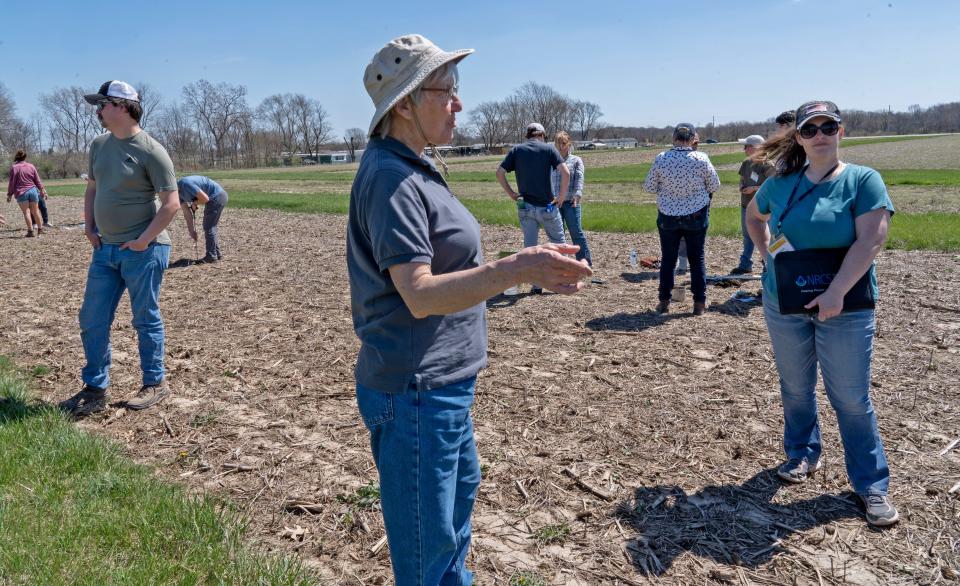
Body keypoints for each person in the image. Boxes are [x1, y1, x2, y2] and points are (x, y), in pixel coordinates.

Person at [348, 34, 592, 585]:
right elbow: (420, 292)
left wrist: (524, 264)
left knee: (449, 540)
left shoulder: (414, 166)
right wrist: (519, 269)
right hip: (416, 390)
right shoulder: (392, 178)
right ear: (406, 104)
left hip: (442, 386)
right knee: (426, 556)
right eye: (447, 91)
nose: (459, 103)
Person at [745, 100, 898, 527]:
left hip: (845, 307)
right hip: (784, 304)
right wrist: (767, 255)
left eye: (827, 126)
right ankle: (801, 454)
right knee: (795, 388)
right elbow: (754, 217)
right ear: (798, 137)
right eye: (810, 129)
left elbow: (870, 241)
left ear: (840, 131)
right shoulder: (780, 183)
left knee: (850, 398)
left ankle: (871, 485)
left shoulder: (863, 180)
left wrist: (835, 293)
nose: (820, 135)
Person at [58, 80, 180, 417]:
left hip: (144, 251)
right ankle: (95, 388)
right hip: (105, 250)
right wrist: (88, 226)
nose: (97, 111)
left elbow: (171, 204)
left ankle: (155, 383)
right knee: (92, 318)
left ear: (123, 107)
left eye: (102, 104)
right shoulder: (98, 145)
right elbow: (92, 190)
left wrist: (143, 240)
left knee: (145, 318)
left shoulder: (151, 150)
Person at [644, 123, 720, 315]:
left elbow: (650, 187)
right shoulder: (701, 158)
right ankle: (699, 304)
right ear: (693, 138)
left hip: (668, 216)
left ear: (674, 138)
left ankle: (664, 301)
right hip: (695, 215)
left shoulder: (661, 158)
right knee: (697, 259)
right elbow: (714, 185)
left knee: (668, 259)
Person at [496, 122, 570, 293]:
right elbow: (566, 172)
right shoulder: (549, 149)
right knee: (559, 244)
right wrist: (561, 197)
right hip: (548, 206)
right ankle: (564, 282)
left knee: (530, 249)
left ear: (527, 135)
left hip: (526, 207)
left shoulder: (517, 150)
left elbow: (499, 173)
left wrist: (512, 194)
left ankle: (536, 285)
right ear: (542, 135)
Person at [730, 135, 775, 274]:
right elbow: (742, 178)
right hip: (746, 205)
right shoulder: (746, 163)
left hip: (764, 208)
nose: (744, 149)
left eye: (746, 146)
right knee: (747, 236)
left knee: (767, 237)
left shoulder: (768, 165)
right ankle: (745, 265)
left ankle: (768, 265)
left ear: (756, 147)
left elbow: (774, 185)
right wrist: (742, 186)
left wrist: (754, 189)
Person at [551, 131, 592, 267]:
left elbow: (579, 179)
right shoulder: (552, 161)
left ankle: (585, 263)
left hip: (570, 202)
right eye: (558, 143)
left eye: (563, 143)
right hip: (556, 203)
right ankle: (561, 263)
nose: (561, 146)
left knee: (576, 232)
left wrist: (577, 195)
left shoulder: (576, 160)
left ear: (569, 144)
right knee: (558, 235)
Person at [176, 175, 229, 263]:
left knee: (209, 226)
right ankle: (216, 254)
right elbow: (187, 212)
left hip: (218, 196)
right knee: (210, 226)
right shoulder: (177, 194)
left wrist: (194, 203)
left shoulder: (185, 184)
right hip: (215, 198)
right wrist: (191, 231)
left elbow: (205, 198)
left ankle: (211, 256)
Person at [6, 150, 48, 237]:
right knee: (36, 211)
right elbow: (37, 179)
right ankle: (40, 230)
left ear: (16, 157)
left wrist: (10, 194)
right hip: (32, 190)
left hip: (21, 192)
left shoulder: (14, 168)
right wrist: (42, 189)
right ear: (25, 157)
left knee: (26, 212)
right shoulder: (31, 166)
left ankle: (30, 231)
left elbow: (12, 182)